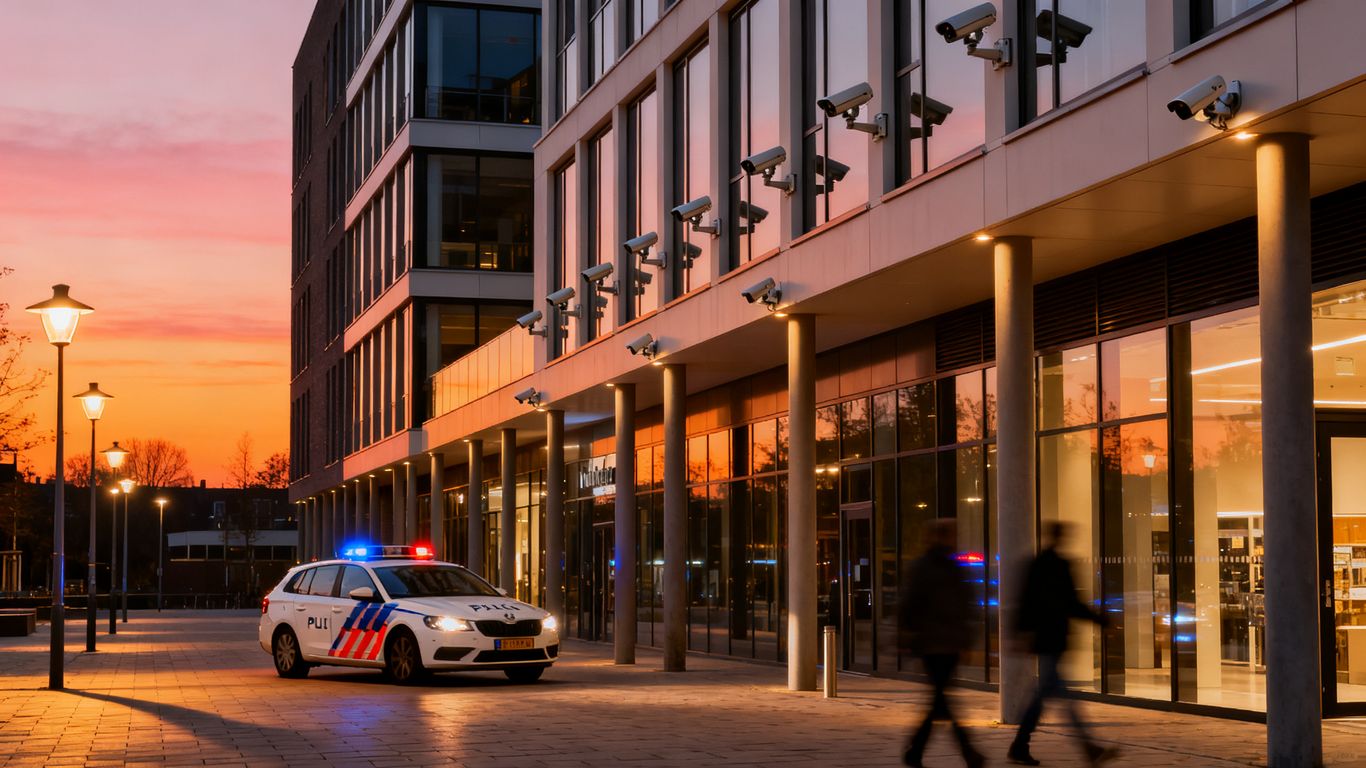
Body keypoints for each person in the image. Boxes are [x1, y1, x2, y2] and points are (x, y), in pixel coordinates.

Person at [1007, 521, 1117, 766]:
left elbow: (1025, 602)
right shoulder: (1058, 565)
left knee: (1045, 696)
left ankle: (1021, 745)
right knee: (1058, 697)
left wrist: (1019, 633)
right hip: (1053, 638)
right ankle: (1087, 748)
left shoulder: (1038, 564)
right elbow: (1070, 603)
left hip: (1045, 639)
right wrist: (1100, 620)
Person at [899, 518, 985, 768]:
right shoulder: (944, 568)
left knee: (940, 701)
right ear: (943, 537)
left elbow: (910, 607)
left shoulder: (932, 567)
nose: (954, 539)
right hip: (938, 644)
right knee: (942, 700)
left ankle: (916, 751)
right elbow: (963, 607)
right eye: (951, 535)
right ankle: (968, 752)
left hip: (938, 644)